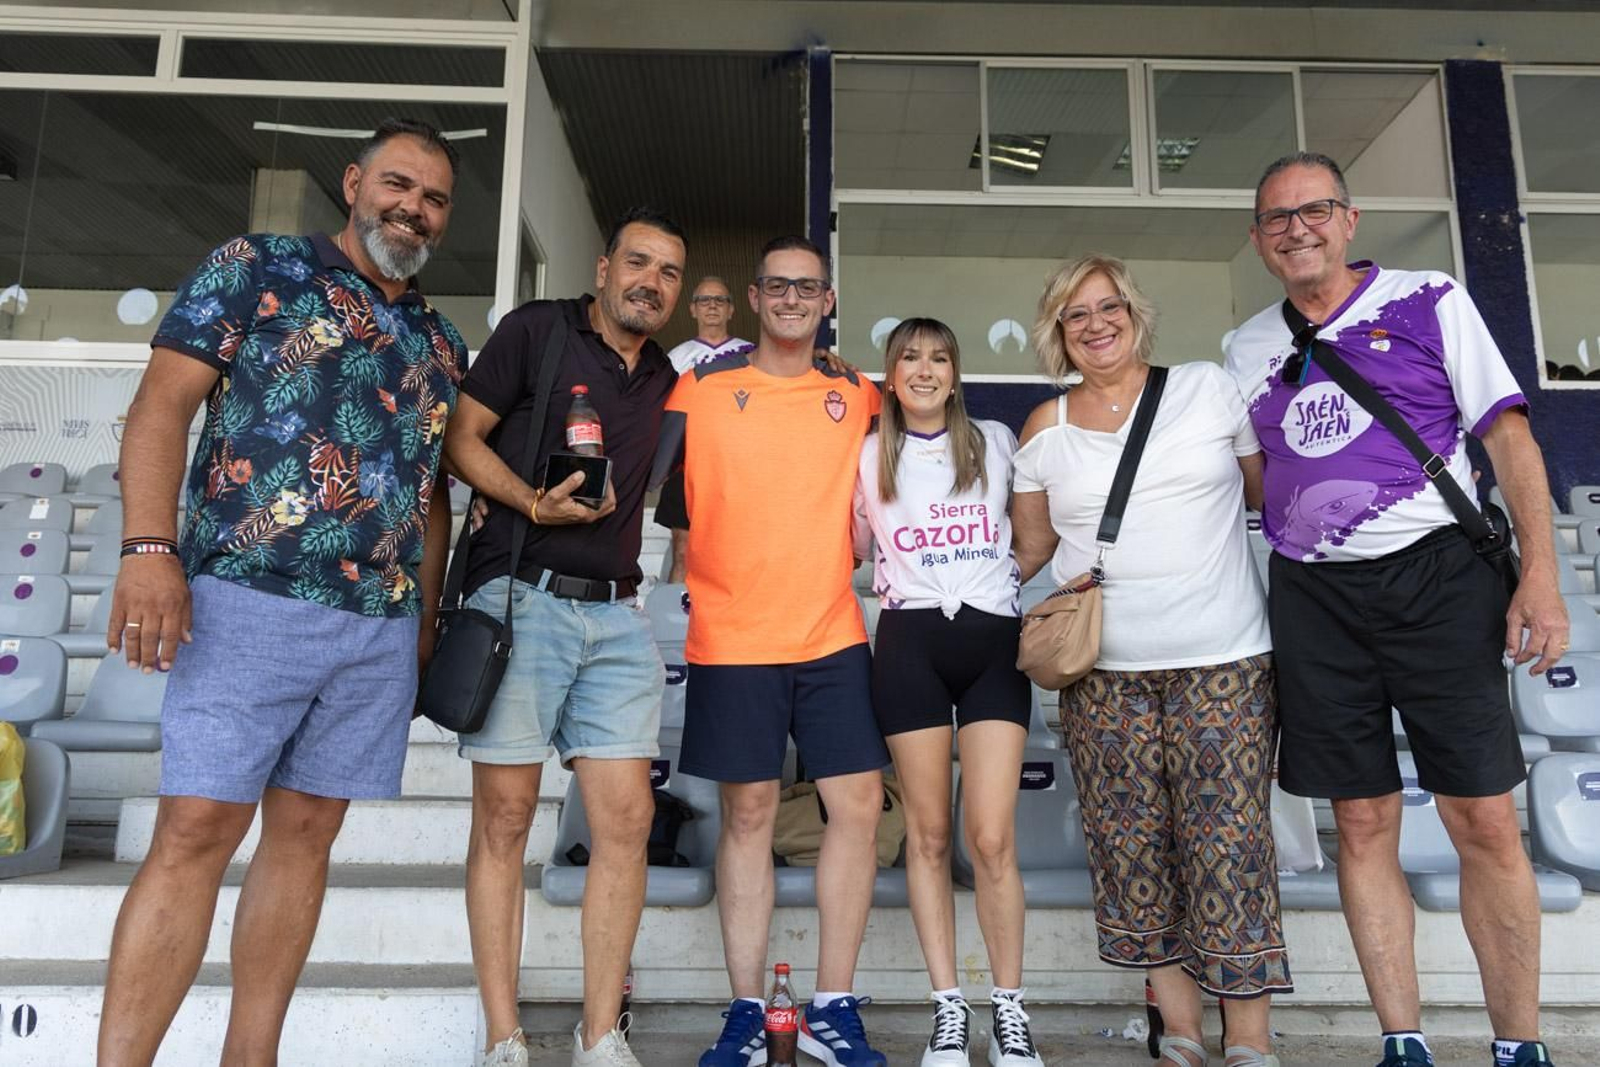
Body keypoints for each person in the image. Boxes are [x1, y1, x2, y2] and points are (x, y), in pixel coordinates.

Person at [96, 118, 466, 1066]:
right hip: (245, 599)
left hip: (374, 629)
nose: (412, 208)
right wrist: (149, 548)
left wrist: (421, 622)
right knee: (195, 828)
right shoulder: (254, 266)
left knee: (306, 835)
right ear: (353, 182)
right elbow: (161, 405)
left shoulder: (438, 338)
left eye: (432, 198)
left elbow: (429, 500)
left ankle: (249, 1056)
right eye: (397, 184)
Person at [1225, 152, 1570, 1067]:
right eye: (1277, 219)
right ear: (1259, 240)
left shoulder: (1430, 298)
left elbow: (1508, 435)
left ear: (1349, 218)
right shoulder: (1246, 347)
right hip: (1316, 595)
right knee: (1364, 817)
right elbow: (1260, 482)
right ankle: (1402, 1041)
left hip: (1440, 580)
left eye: (1315, 210)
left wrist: (1541, 575)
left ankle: (1519, 1045)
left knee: (1483, 818)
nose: (1297, 229)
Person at [1011, 254, 1289, 1067]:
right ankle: (1183, 1031)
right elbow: (1025, 550)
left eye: (1109, 308)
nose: (1096, 325)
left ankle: (1250, 1036)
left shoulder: (1207, 387)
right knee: (1132, 845)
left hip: (1225, 658)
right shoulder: (1045, 428)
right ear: (1056, 333)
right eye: (1076, 315)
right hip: (1102, 670)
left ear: (1135, 312)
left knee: (1228, 842)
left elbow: (1263, 491)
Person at [441, 207, 687, 1067]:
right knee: (505, 819)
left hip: (617, 615)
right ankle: (504, 1037)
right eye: (639, 262)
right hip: (524, 598)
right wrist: (530, 501)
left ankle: (598, 1035)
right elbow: (458, 439)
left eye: (668, 273)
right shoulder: (537, 330)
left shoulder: (666, 375)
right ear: (604, 265)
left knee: (627, 817)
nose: (651, 282)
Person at [651, 235, 890, 1067]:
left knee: (857, 807)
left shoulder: (859, 393)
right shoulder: (700, 385)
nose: (793, 297)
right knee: (747, 814)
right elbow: (658, 490)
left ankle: (832, 1006)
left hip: (831, 633)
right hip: (732, 635)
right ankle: (748, 1008)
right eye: (778, 285)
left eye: (809, 286)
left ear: (827, 300)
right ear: (754, 299)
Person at [850, 317, 1043, 1067]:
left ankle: (1010, 1009)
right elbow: (852, 549)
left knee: (990, 837)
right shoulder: (867, 457)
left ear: (956, 374)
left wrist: (997, 585)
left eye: (939, 358)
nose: (924, 370)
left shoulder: (997, 439)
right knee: (927, 836)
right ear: (890, 377)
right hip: (909, 643)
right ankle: (948, 1013)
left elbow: (1032, 536)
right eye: (909, 358)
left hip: (992, 642)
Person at [657, 276, 753, 581]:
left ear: (731, 310)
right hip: (686, 467)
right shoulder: (674, 358)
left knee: (736, 549)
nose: (712, 305)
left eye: (720, 300)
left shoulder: (752, 354)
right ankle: (678, 623)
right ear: (693, 309)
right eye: (704, 300)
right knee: (683, 549)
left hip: (739, 469)